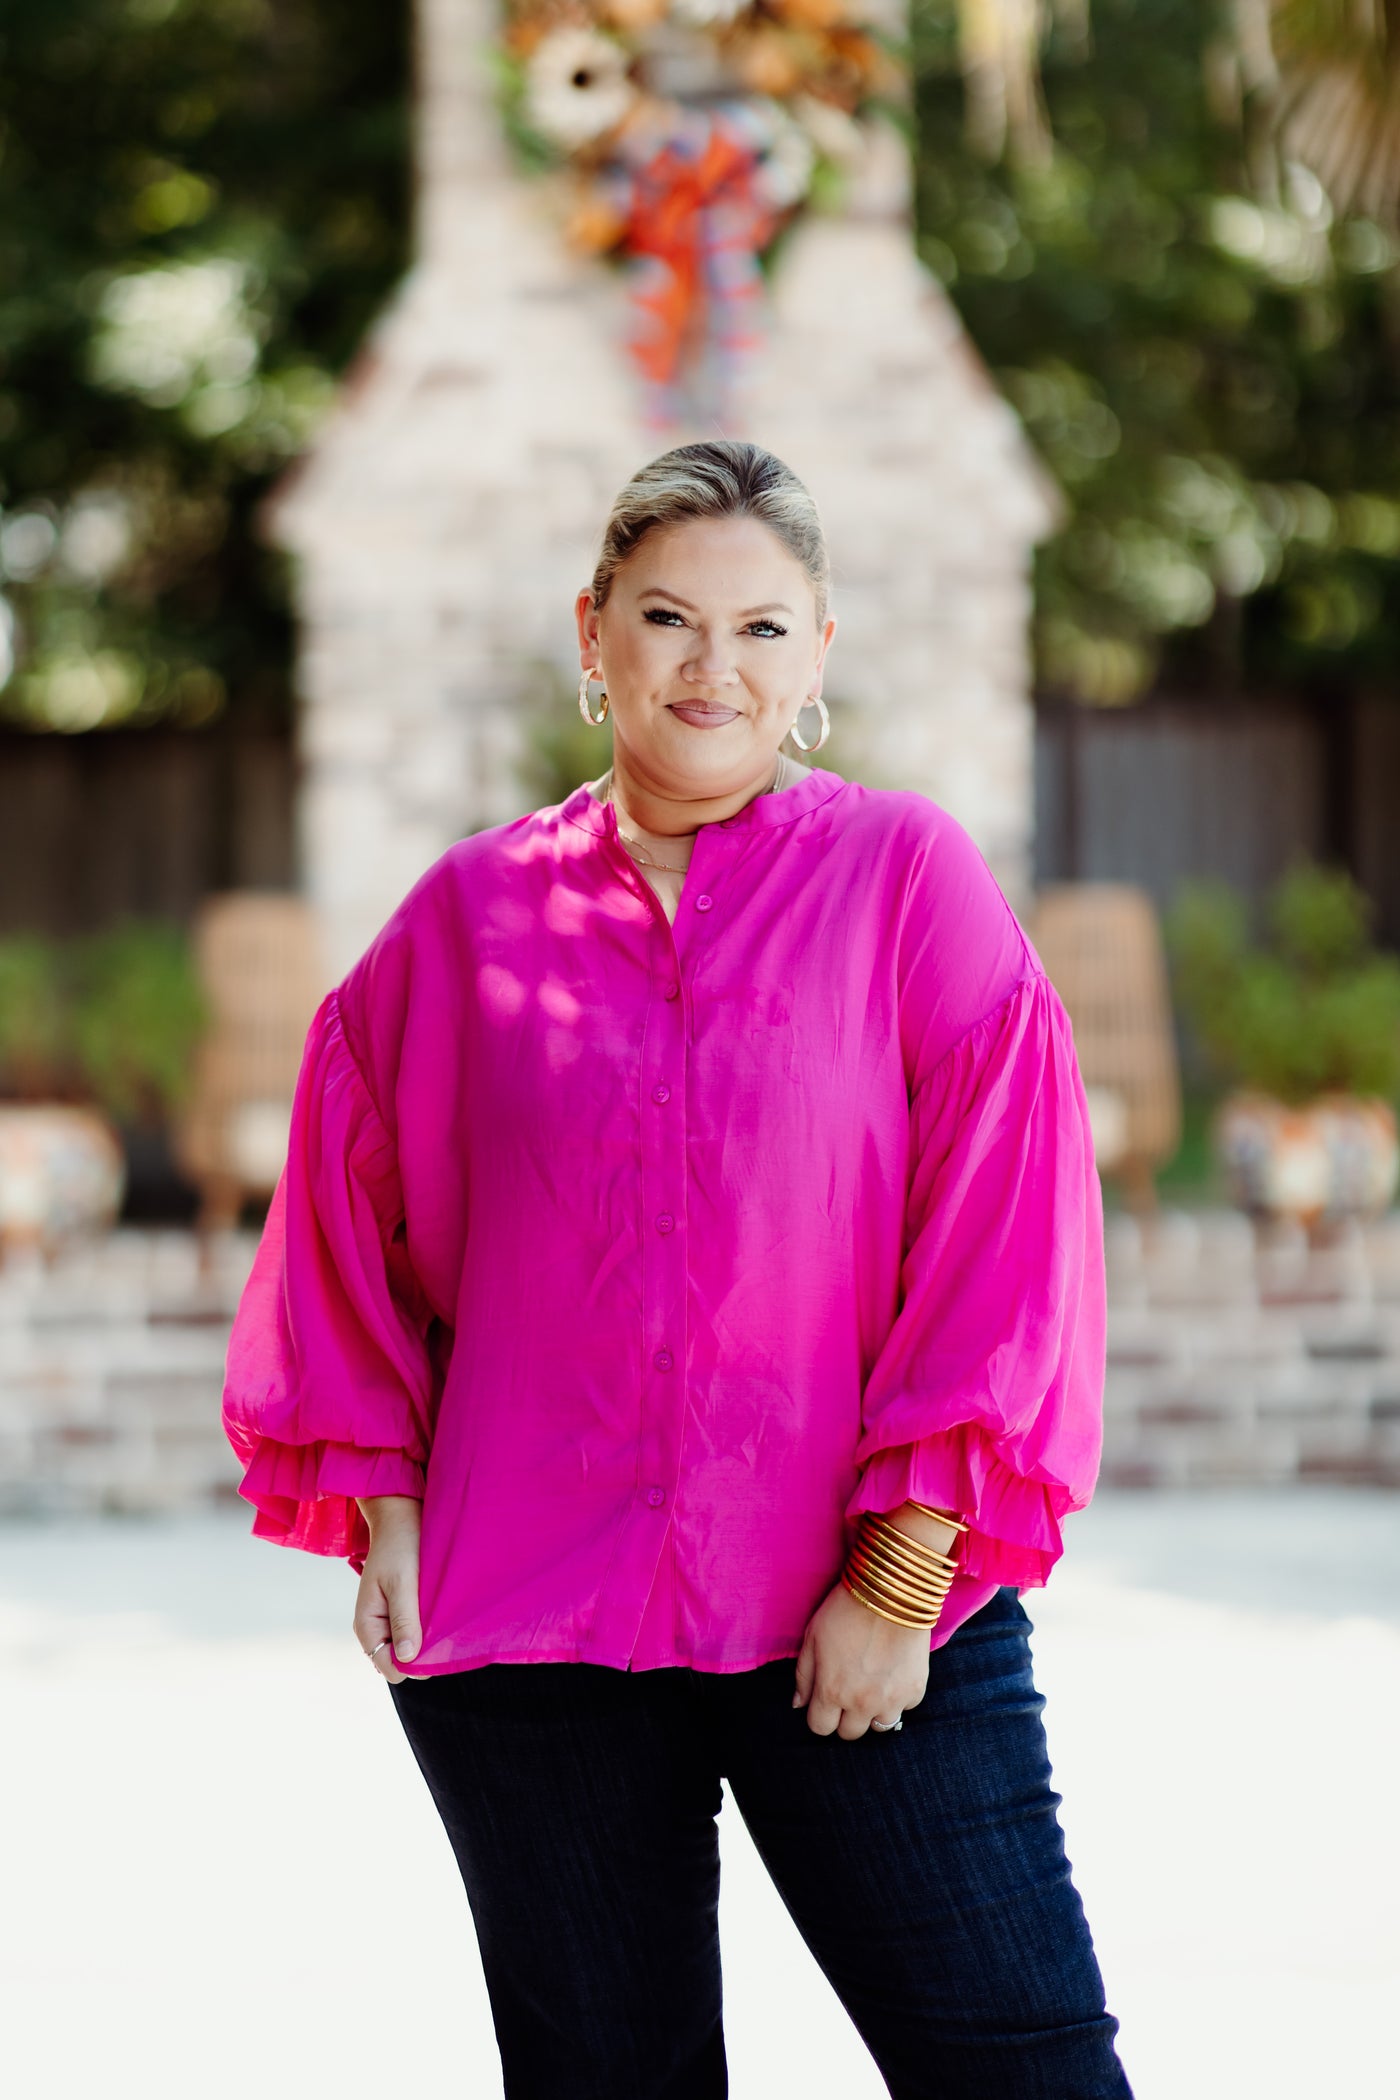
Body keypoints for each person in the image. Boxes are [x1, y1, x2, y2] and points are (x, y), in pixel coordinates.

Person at [222, 438, 1134, 2099]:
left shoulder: (906, 884)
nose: (716, 668)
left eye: (764, 629)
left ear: (821, 655)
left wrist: (904, 1576)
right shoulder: (468, 918)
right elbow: (347, 1212)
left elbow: (1010, 1233)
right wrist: (392, 1508)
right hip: (534, 1633)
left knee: (1023, 2067)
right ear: (593, 636)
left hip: (861, 1621)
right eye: (667, 618)